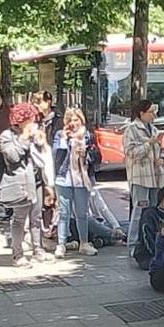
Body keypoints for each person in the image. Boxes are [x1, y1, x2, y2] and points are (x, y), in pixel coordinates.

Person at [0, 102, 45, 264]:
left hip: (36, 180)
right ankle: (18, 253)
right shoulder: (6, 136)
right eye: (30, 119)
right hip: (20, 183)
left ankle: (38, 249)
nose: (33, 122)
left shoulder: (34, 134)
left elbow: (42, 157)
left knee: (37, 217)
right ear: (21, 120)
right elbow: (13, 157)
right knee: (19, 219)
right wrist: (24, 138)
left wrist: (40, 143)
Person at [52, 107, 102, 257]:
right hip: (64, 178)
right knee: (64, 213)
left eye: (76, 120)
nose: (73, 123)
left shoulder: (88, 135)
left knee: (82, 213)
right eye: (70, 120)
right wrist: (63, 140)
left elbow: (97, 156)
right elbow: (55, 154)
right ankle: (61, 244)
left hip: (83, 178)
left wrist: (87, 153)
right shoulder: (60, 135)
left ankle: (84, 243)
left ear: (81, 120)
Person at [123, 97, 164, 257]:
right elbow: (131, 153)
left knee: (155, 211)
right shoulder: (132, 130)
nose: (153, 116)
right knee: (140, 211)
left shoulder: (154, 129)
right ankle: (134, 244)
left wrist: (162, 158)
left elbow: (163, 149)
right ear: (141, 113)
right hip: (141, 178)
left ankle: (153, 241)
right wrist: (149, 143)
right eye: (151, 113)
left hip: (156, 177)